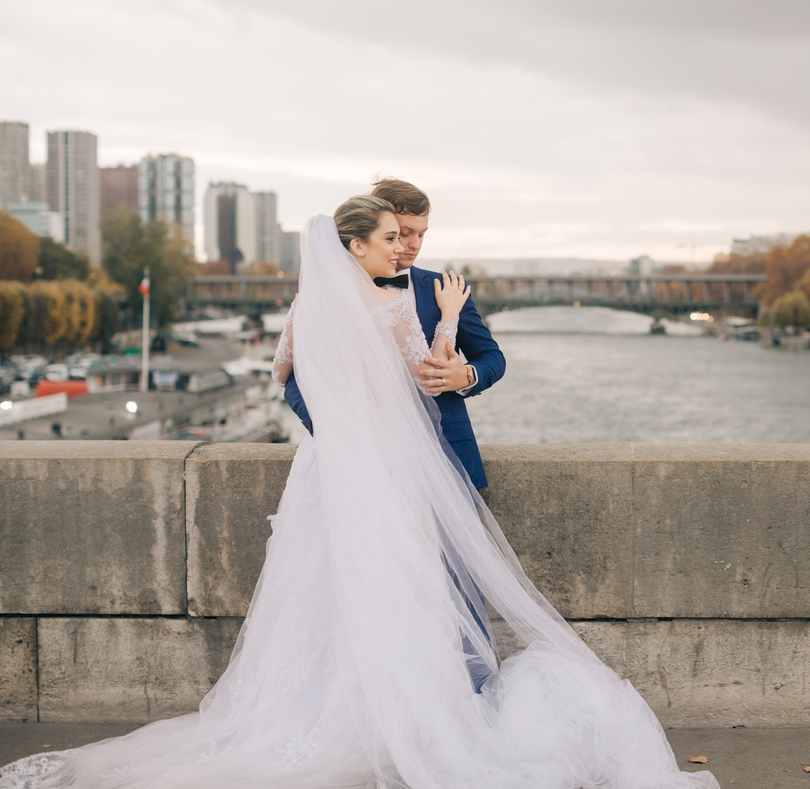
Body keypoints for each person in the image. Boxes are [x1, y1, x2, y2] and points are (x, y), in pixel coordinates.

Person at [0, 197, 718, 789]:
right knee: (377, 597)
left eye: (416, 236)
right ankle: (409, 724)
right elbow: (313, 378)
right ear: (370, 238)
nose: (407, 248)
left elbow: (478, 358)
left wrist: (462, 375)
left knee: (394, 600)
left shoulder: (399, 287)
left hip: (405, 470)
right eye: (397, 236)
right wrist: (360, 420)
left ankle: (413, 716)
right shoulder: (364, 299)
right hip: (372, 469)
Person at [284, 178, 504, 489]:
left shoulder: (445, 287)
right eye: (402, 234)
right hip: (362, 462)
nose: (412, 244)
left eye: (422, 234)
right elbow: (292, 374)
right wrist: (327, 425)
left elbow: (492, 357)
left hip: (449, 458)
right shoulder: (325, 295)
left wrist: (466, 376)